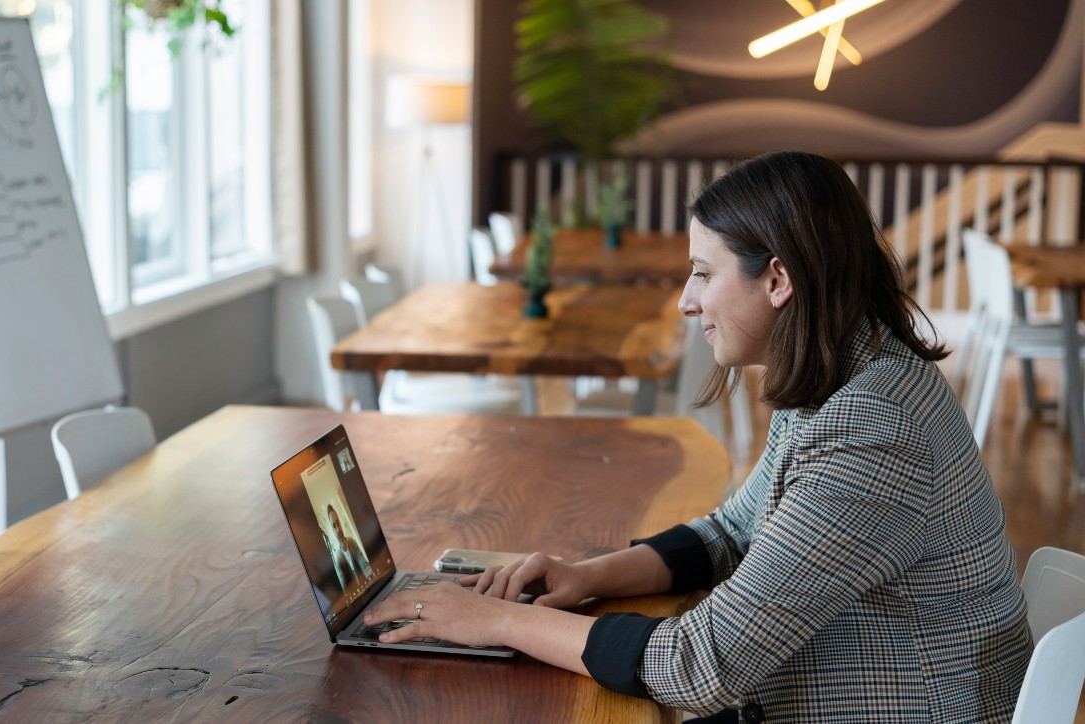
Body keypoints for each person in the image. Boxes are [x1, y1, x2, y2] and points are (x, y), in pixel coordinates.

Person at [363, 151, 1032, 722]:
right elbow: (732, 532)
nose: (687, 300)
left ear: (777, 280)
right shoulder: (846, 369)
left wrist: (497, 624)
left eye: (704, 273)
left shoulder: (874, 424)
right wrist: (585, 576)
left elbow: (702, 665)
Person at [327, 503, 371, 589]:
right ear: (332, 530)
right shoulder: (338, 561)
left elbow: (365, 565)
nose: (338, 529)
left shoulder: (351, 542)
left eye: (338, 523)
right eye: (334, 526)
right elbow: (346, 591)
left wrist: (372, 576)